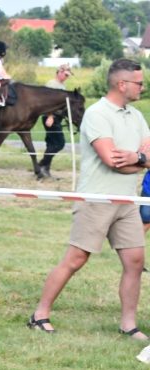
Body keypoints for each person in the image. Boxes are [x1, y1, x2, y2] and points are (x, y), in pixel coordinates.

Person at [29, 58, 150, 341]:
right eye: (139, 83)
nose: (143, 87)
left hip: (126, 202)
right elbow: (111, 160)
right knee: (76, 259)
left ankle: (128, 325)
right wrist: (141, 160)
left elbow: (140, 157)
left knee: (135, 261)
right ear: (122, 84)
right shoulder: (97, 114)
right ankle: (39, 315)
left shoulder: (137, 117)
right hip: (96, 200)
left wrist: (137, 158)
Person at [39, 64, 73, 177]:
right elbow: (46, 102)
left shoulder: (62, 85)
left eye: (68, 75)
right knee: (60, 143)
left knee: (51, 144)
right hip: (51, 118)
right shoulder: (52, 84)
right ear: (59, 72)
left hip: (56, 118)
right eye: (65, 74)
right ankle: (41, 165)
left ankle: (44, 170)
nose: (66, 77)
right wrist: (50, 116)